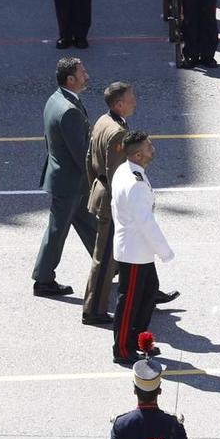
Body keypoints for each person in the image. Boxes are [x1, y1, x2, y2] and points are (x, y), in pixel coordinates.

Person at [33, 58, 99, 297]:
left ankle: (108, 265)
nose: (86, 75)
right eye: (82, 72)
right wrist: (99, 175)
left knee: (89, 223)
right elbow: (81, 152)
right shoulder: (70, 110)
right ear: (70, 79)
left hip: (67, 179)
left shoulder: (56, 99)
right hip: (71, 182)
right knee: (57, 229)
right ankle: (43, 279)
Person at [112, 131, 174, 366]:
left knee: (149, 292)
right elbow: (146, 223)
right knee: (129, 302)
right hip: (135, 251)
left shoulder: (127, 171)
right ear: (138, 154)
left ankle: (138, 340)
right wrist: (165, 251)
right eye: (148, 146)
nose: (152, 148)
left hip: (136, 248)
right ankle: (123, 348)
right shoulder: (135, 184)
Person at [85, 81, 137, 327]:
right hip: (112, 199)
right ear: (118, 104)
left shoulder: (102, 122)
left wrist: (94, 186)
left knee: (109, 255)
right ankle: (94, 309)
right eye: (130, 98)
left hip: (101, 191)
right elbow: (117, 173)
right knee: (105, 258)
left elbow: (89, 159)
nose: (134, 101)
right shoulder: (117, 132)